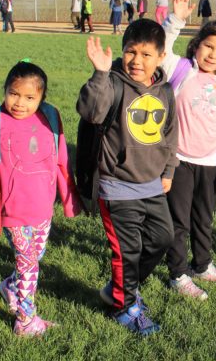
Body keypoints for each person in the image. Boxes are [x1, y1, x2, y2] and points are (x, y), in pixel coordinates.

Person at [0, 61, 83, 336]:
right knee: (28, 265)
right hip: (12, 210)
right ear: (5, 90)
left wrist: (70, 199)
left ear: (41, 98)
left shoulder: (49, 118)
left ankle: (9, 286)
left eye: (29, 97)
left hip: (43, 208)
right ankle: (26, 319)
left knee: (35, 257)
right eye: (13, 93)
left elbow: (61, 160)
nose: (20, 103)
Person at [77, 21, 178, 336]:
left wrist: (169, 169)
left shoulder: (165, 90)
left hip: (152, 184)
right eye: (131, 52)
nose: (137, 60)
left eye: (146, 54)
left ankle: (122, 288)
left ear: (160, 57)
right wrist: (100, 73)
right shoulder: (113, 82)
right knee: (127, 251)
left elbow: (171, 133)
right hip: (117, 185)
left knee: (163, 238)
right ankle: (124, 306)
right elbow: (91, 112)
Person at [161, 0, 216, 300]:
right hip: (179, 160)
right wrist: (176, 20)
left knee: (204, 218)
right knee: (178, 222)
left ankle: (202, 265)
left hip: (211, 162)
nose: (214, 54)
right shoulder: (181, 70)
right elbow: (161, 51)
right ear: (196, 46)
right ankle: (178, 275)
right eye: (209, 46)